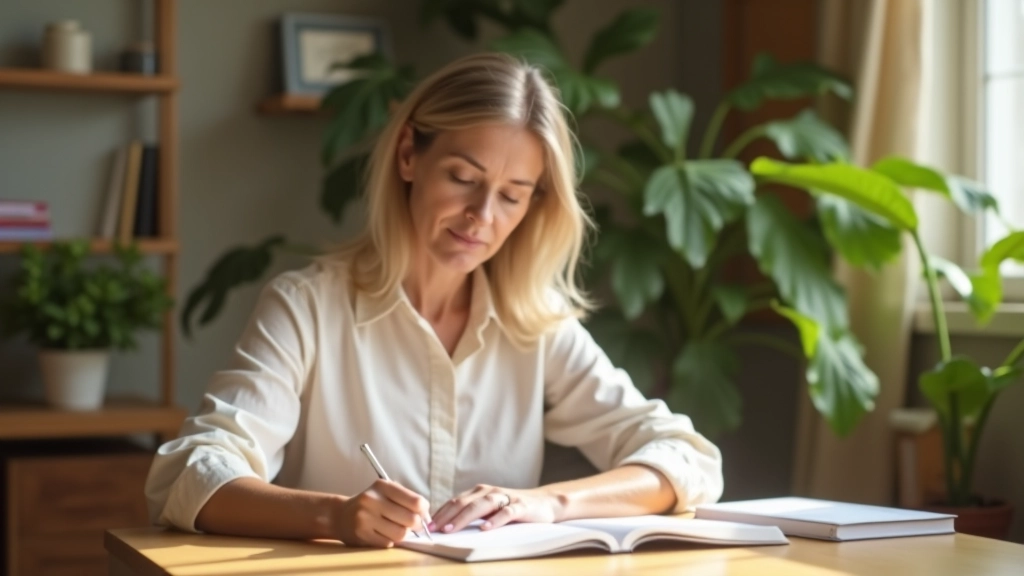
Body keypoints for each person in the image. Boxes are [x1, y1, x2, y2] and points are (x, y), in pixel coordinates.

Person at [145, 52, 723, 548]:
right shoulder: (307, 308)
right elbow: (188, 474)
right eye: (463, 177)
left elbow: (686, 458)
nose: (483, 216)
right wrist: (336, 515)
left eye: (512, 196)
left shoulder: (535, 322)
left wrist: (547, 504)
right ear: (407, 156)